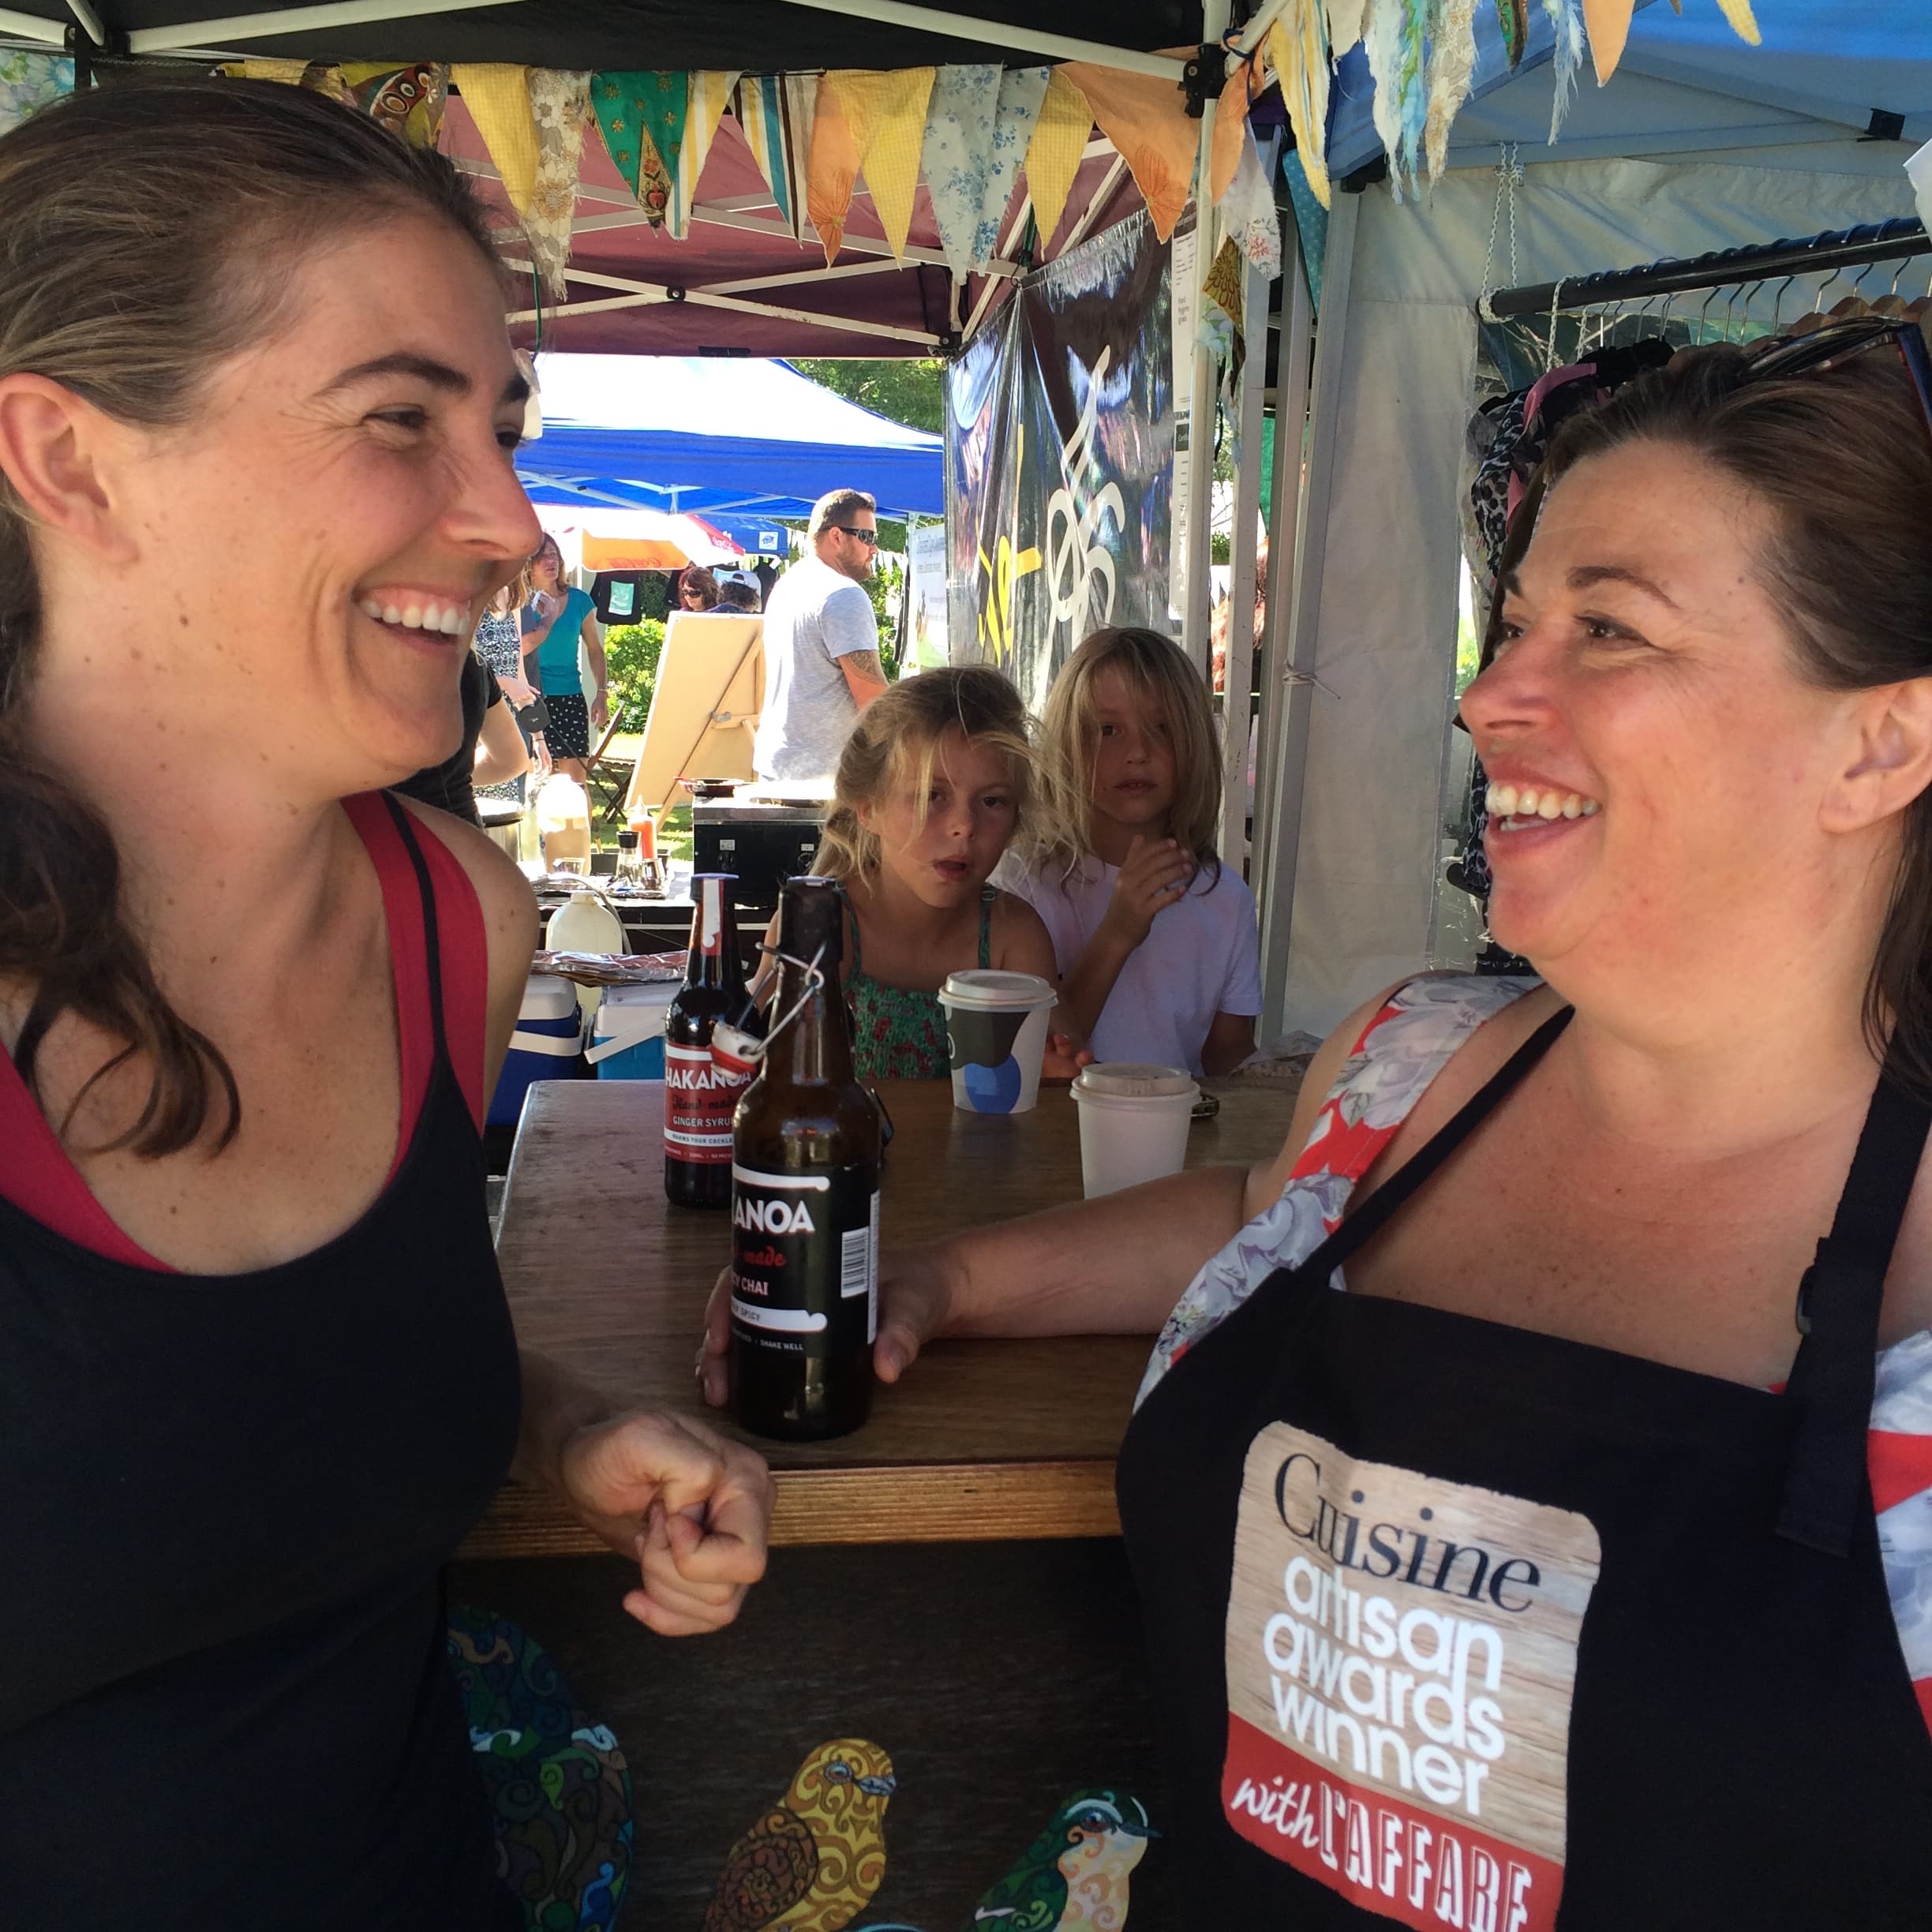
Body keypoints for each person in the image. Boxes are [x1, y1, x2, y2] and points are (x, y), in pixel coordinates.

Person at [706, 325, 1932, 1923]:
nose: (1488, 695)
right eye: (1514, 625)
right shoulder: (1406, 1063)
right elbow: (1257, 1217)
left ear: (1880, 742)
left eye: (1609, 630)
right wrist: (943, 1285)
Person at [0, 80, 772, 1930]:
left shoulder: (450, 924)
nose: (509, 521)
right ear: (72, 461)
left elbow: (267, 1384)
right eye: (400, 418)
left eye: (499, 428)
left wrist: (551, 1422)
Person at [755, 667, 1069, 1080]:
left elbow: (1056, 1070)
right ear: (868, 807)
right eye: (931, 796)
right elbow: (753, 1067)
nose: (964, 826)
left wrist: (1054, 1072)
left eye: (992, 801)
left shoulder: (1014, 936)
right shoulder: (822, 925)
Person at [995, 627, 1261, 1077]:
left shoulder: (1225, 896)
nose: (1138, 752)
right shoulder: (1019, 884)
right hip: (1059, 1122)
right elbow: (1032, 1056)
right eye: (1108, 730)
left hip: (1176, 1120)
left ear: (1194, 742)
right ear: (1066, 746)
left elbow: (1227, 1056)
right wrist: (1119, 931)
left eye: (1162, 728)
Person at [751, 488, 888, 784]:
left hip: (779, 766)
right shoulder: (844, 594)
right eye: (867, 537)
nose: (874, 549)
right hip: (827, 778)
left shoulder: (788, 585)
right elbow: (874, 702)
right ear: (836, 536)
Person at [393, 648, 545, 826]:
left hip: (391, 826)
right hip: (460, 826)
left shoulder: (374, 663)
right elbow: (512, 762)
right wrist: (453, 774)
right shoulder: (472, 663)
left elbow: (513, 762)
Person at [519, 532, 605, 781]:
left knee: (576, 783)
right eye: (542, 557)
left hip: (569, 697)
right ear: (528, 565)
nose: (551, 561)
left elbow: (595, 650)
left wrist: (601, 693)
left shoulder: (579, 600)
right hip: (530, 697)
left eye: (554, 555)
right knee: (534, 780)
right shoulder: (519, 603)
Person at [473, 564, 549, 803]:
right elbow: (455, 673)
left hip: (509, 728)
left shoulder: (513, 601)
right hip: (476, 721)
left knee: (509, 810)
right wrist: (505, 683)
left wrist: (538, 739)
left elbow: (521, 680)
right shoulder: (469, 599)